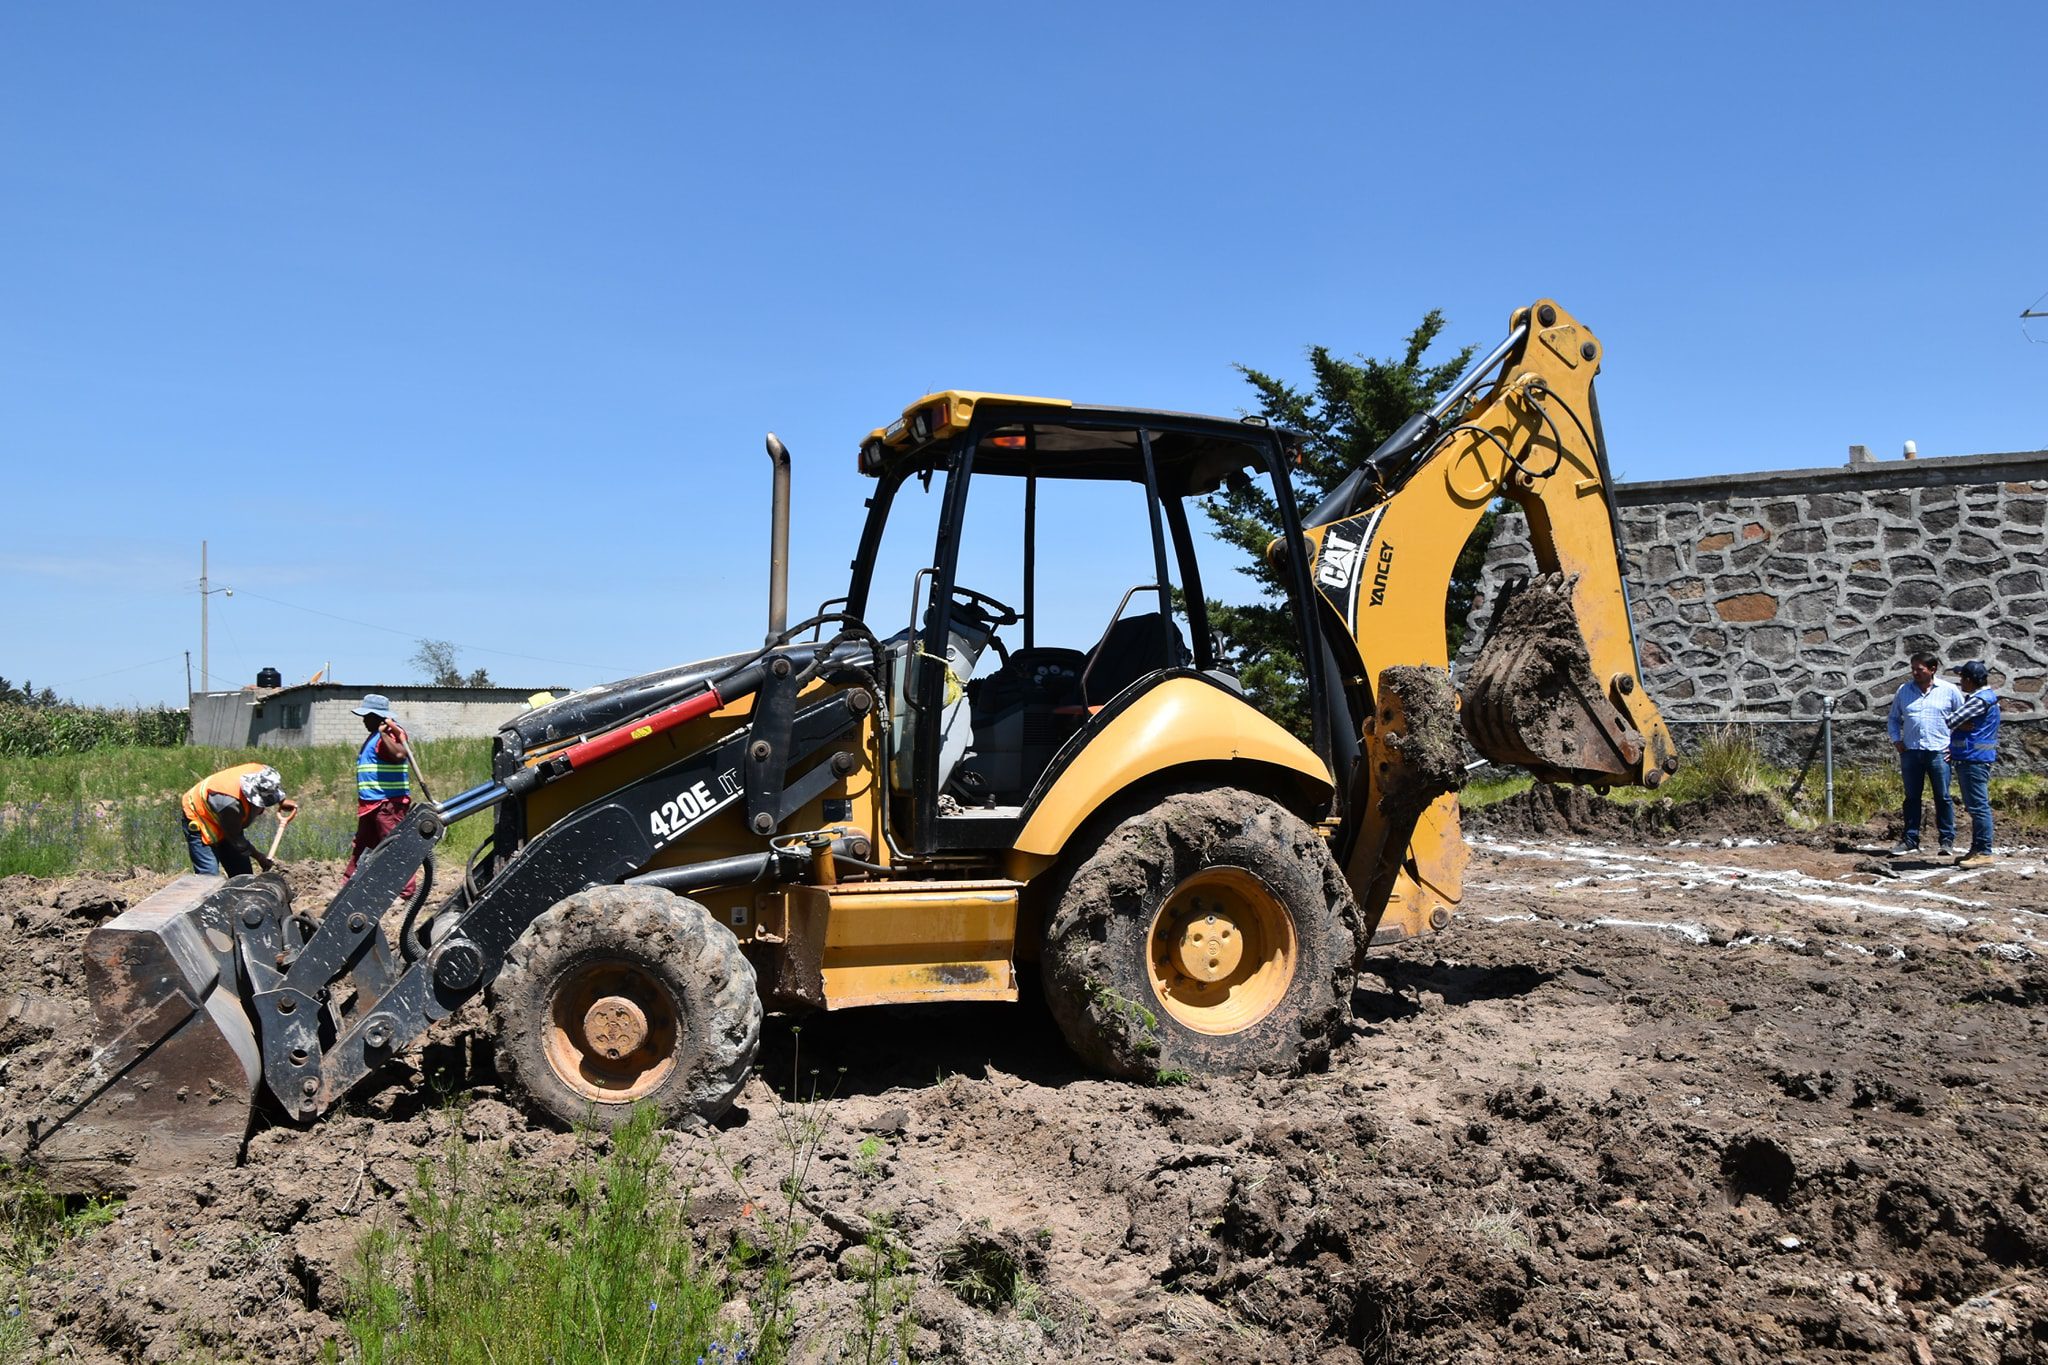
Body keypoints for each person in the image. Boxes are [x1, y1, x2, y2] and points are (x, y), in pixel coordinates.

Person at [1886, 652, 1964, 855]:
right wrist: (1896, 739)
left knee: (1943, 797)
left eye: (1919, 669)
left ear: (1932, 669)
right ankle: (1910, 839)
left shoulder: (1949, 690)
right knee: (1912, 797)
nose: (1915, 673)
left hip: (1938, 751)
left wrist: (1955, 747)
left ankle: (1946, 840)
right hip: (1911, 751)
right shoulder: (1904, 690)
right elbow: (1894, 718)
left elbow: (1963, 720)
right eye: (1912, 669)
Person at [344, 693, 417, 897]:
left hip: (388, 803)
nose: (364, 720)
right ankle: (350, 885)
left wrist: (385, 733)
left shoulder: (389, 735)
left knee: (394, 846)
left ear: (378, 717)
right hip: (372, 802)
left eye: (367, 716)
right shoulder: (375, 736)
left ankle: (405, 892)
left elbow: (400, 754)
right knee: (363, 844)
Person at [179, 763, 298, 877]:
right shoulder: (230, 804)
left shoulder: (261, 771)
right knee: (208, 876)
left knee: (243, 875)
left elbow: (271, 785)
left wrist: (282, 800)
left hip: (227, 818)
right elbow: (236, 839)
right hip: (200, 815)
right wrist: (259, 857)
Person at [1947, 660, 2000, 861]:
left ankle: (1984, 851)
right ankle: (1977, 849)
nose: (1960, 682)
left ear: (1969, 680)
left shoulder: (1980, 700)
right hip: (1972, 758)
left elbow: (1951, 720)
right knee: (1975, 806)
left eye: (1962, 678)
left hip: (1974, 759)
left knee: (1978, 806)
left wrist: (1958, 726)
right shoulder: (1984, 698)